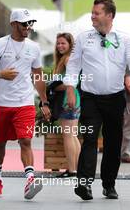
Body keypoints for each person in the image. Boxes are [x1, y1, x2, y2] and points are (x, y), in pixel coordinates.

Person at [63, 0, 130, 200]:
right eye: (92, 13)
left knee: (113, 143)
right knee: (90, 139)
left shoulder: (124, 39)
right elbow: (73, 65)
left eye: (96, 13)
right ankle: (84, 185)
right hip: (90, 98)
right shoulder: (83, 38)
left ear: (109, 15)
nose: (92, 16)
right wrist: (71, 89)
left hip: (115, 99)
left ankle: (109, 185)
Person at [0, 9, 51, 199]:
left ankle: (30, 179)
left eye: (30, 23)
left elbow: (38, 76)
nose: (28, 27)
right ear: (13, 24)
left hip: (25, 103)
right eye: (24, 24)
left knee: (26, 140)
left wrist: (44, 102)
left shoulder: (34, 47)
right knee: (0, 143)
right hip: (2, 104)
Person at [53, 33, 81, 177]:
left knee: (68, 135)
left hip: (68, 100)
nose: (60, 46)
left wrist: (54, 87)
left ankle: (72, 170)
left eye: (63, 43)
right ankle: (75, 168)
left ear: (70, 45)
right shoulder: (64, 59)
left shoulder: (68, 59)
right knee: (72, 135)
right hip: (73, 99)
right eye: (58, 43)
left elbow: (72, 81)